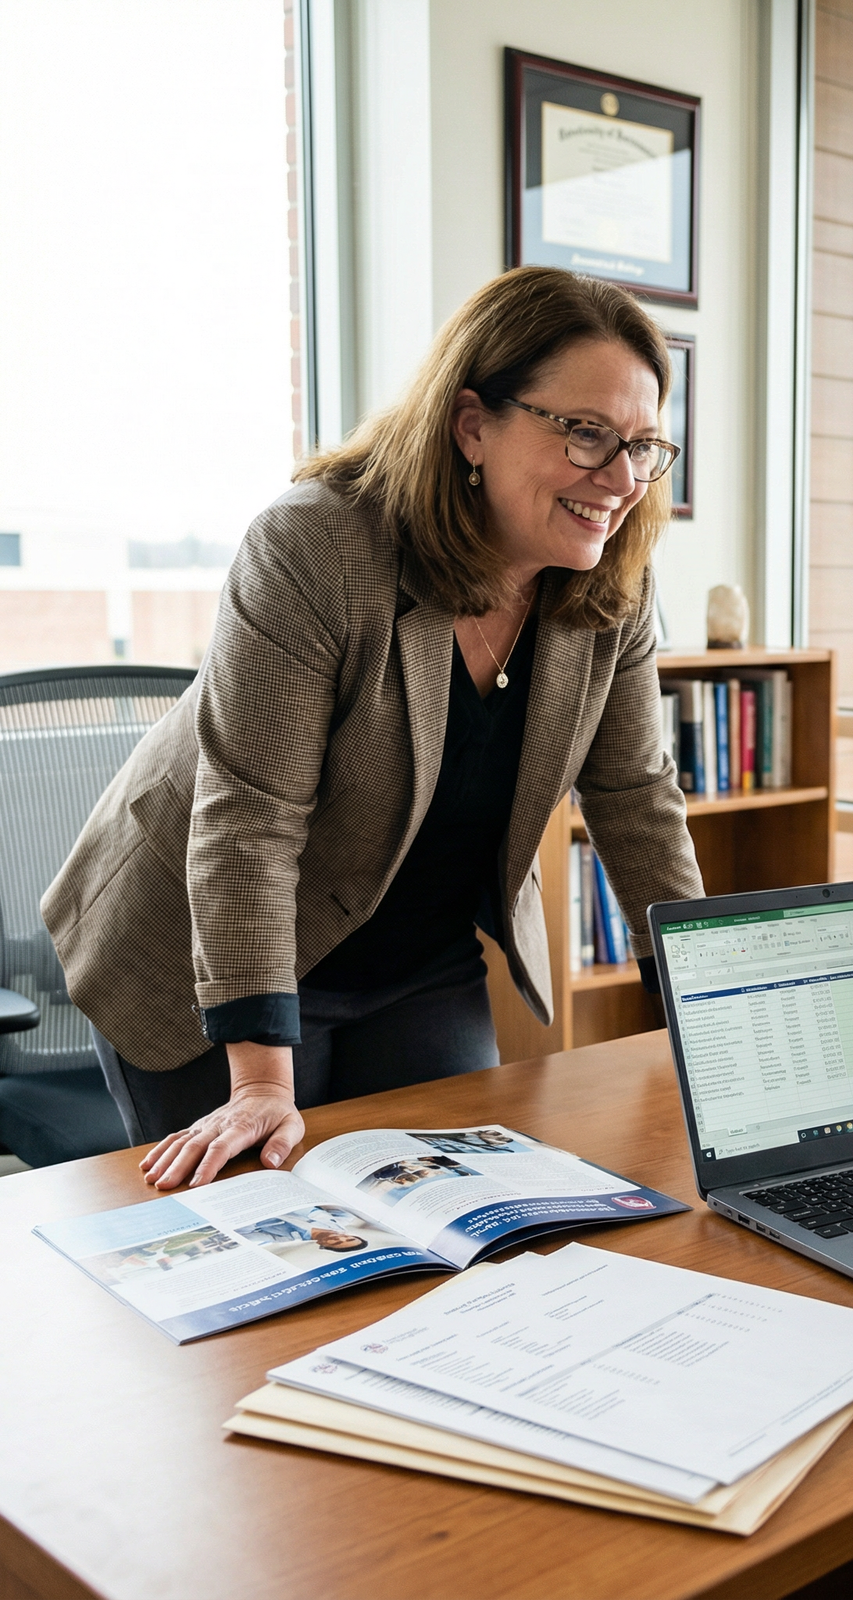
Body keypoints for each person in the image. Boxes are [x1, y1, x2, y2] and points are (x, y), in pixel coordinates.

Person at [44, 266, 703, 1189]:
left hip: (415, 963)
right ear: (474, 424)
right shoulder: (320, 546)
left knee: (469, 1226)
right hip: (208, 953)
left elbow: (636, 800)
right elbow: (248, 819)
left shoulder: (610, 584)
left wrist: (714, 1021)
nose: (623, 478)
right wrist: (263, 1080)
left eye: (643, 444)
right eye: (587, 434)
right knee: (270, 1247)